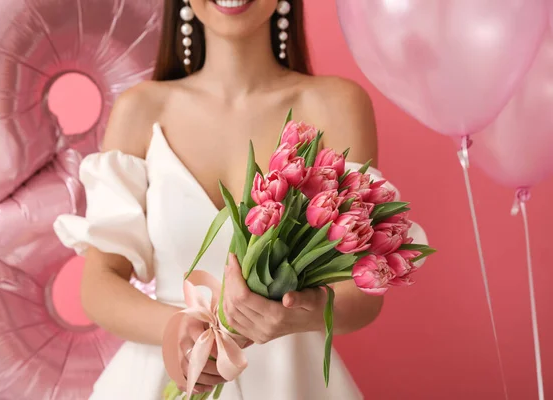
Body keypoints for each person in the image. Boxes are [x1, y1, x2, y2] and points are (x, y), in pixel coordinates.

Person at [54, 0, 425, 398]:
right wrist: (172, 329)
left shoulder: (336, 104)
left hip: (292, 382)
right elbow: (98, 282)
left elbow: (365, 291)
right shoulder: (140, 110)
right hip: (155, 377)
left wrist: (298, 314)